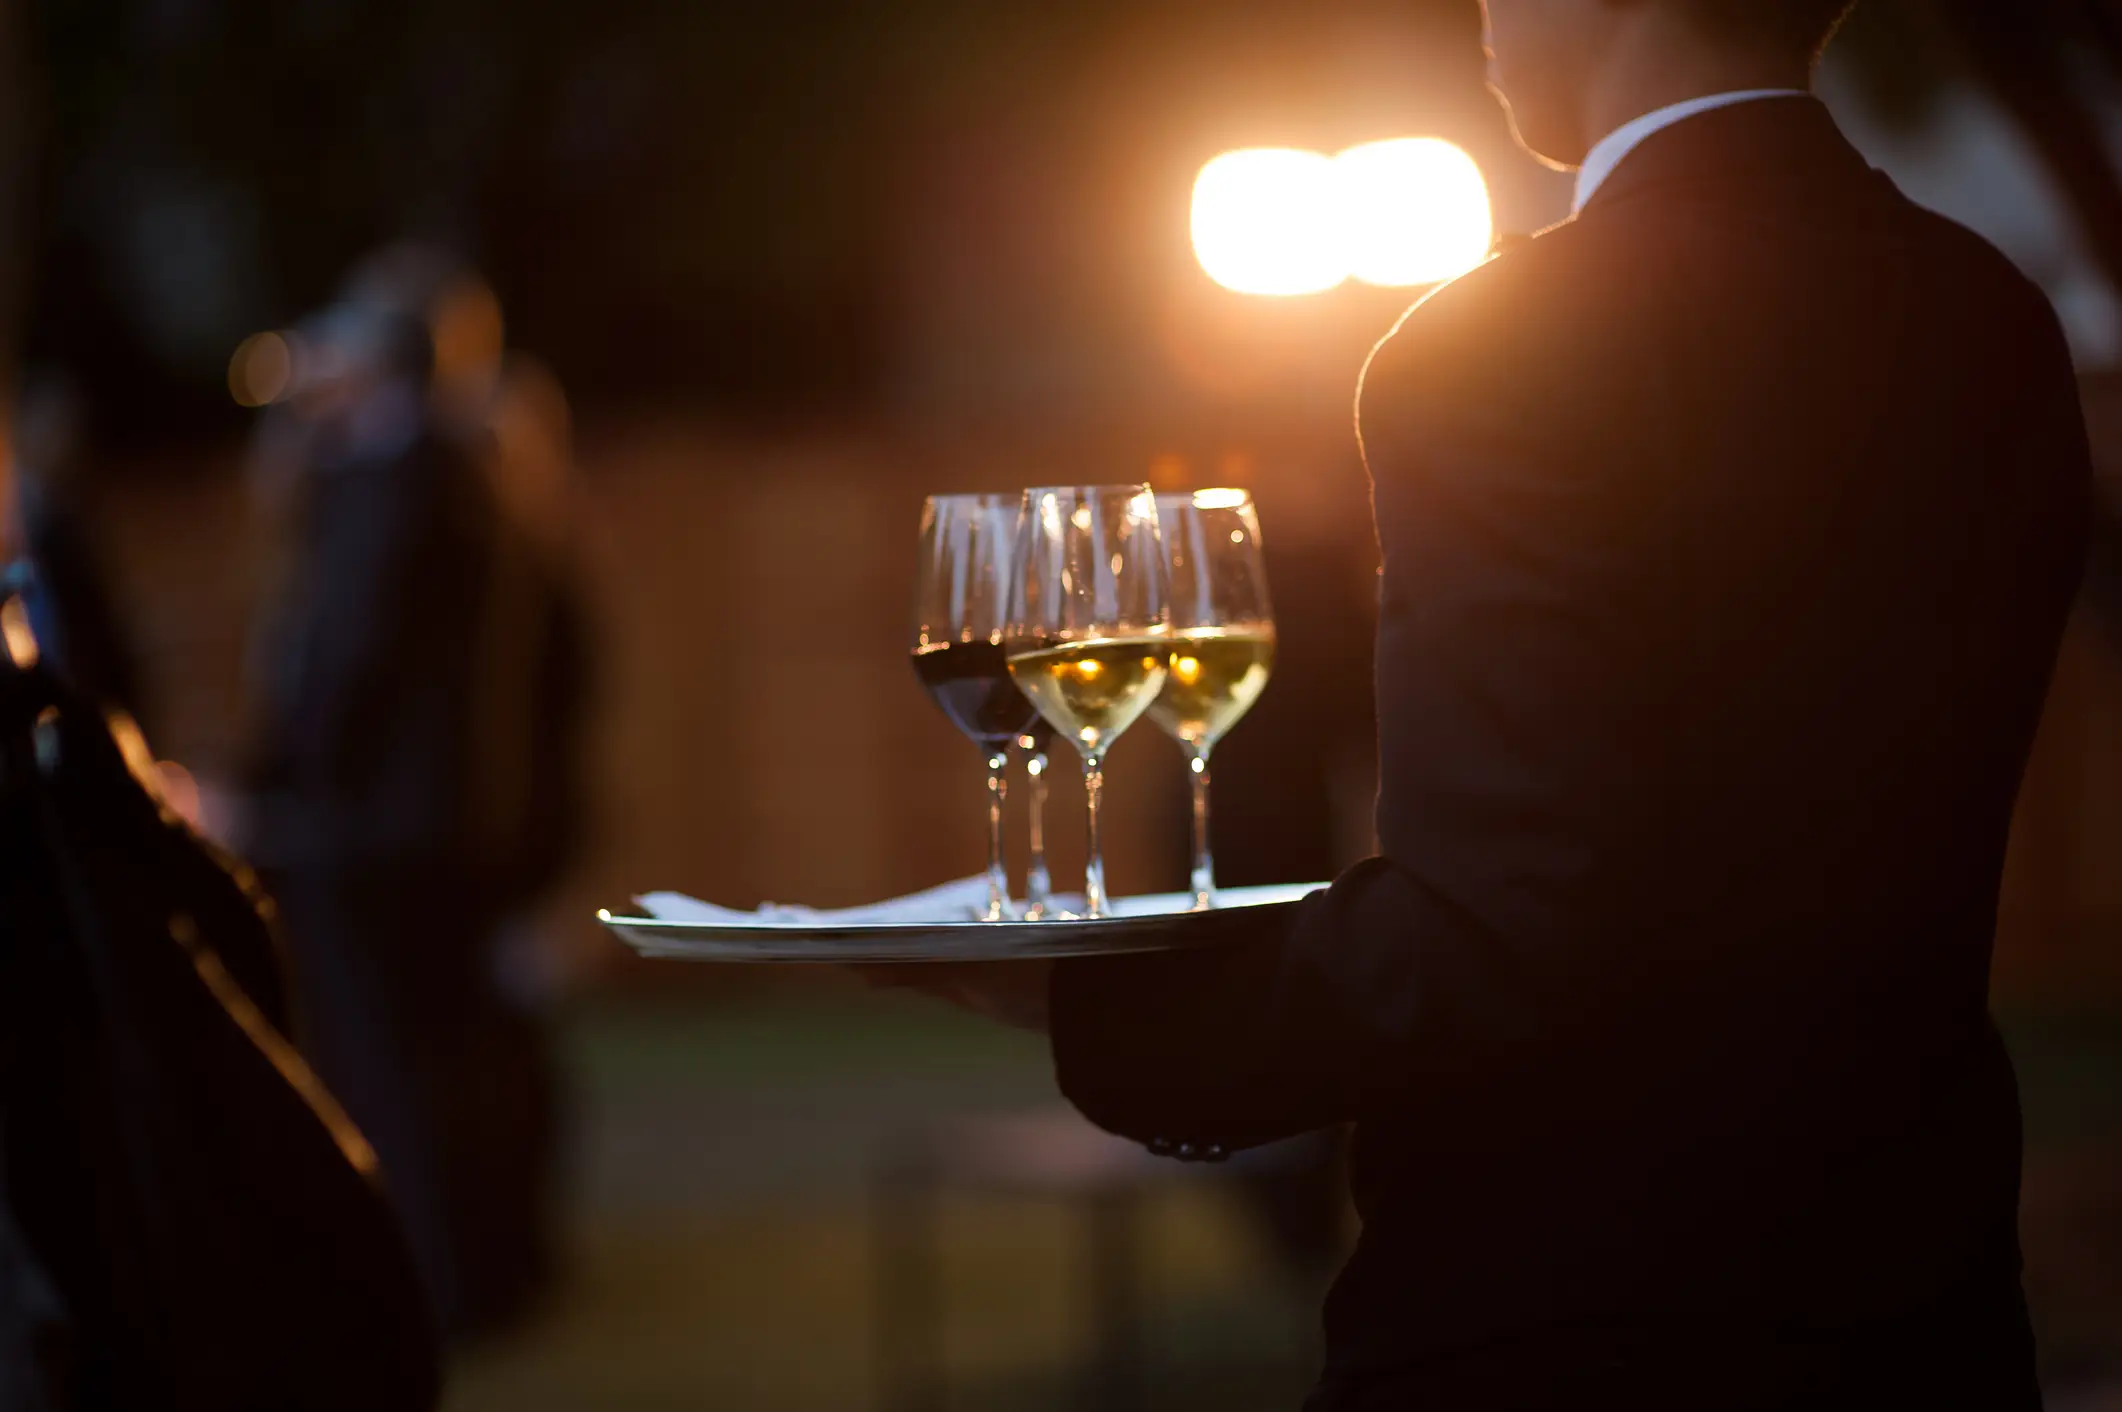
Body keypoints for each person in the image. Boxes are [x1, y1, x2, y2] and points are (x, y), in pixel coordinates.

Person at [874, 2, 2092, 1408]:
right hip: (1914, 1310)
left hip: (1564, 1325)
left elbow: (1496, 938)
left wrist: (1086, 1008)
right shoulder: (1989, 316)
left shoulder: (1509, 343)